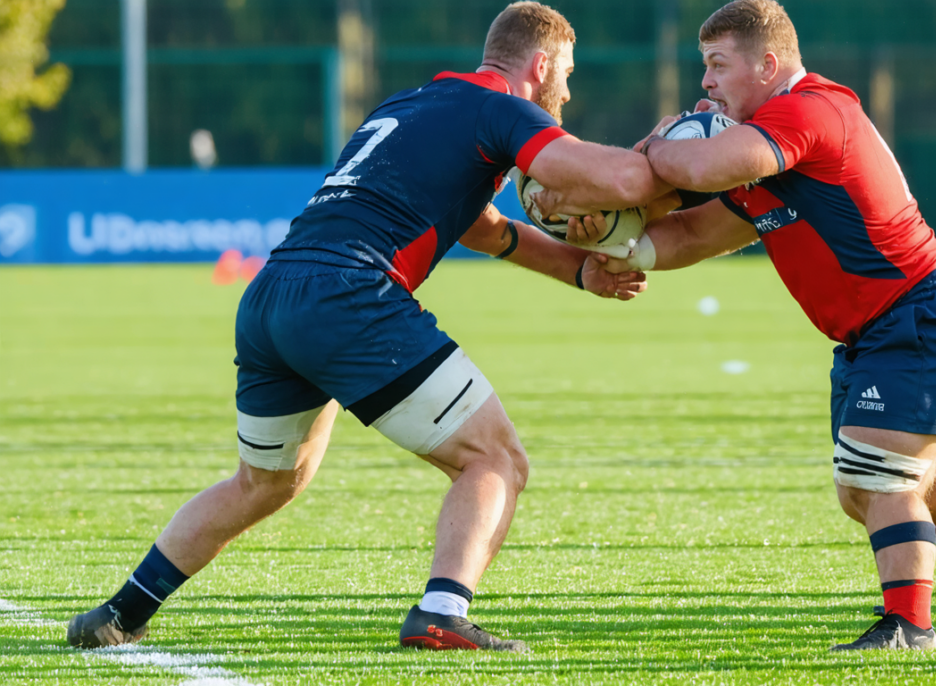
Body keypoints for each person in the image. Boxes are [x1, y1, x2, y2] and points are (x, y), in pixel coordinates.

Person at [66, 1, 667, 653]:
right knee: (495, 459)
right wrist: (669, 160)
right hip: (347, 294)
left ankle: (119, 612)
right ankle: (443, 611)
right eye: (568, 75)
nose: (569, 92)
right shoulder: (502, 109)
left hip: (272, 293)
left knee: (266, 481)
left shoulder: (408, 105)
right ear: (541, 64)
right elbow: (618, 176)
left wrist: (581, 272)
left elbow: (483, 229)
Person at [540, 0, 936, 650]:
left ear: (768, 64)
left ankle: (910, 626)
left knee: (878, 473)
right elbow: (693, 236)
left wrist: (649, 149)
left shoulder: (809, 108)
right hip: (876, 330)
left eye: (717, 65)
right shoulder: (764, 155)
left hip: (924, 312)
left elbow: (697, 168)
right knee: (876, 486)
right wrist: (614, 241)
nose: (706, 84)